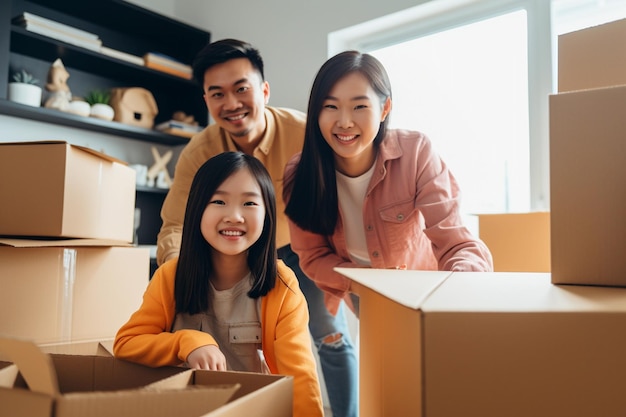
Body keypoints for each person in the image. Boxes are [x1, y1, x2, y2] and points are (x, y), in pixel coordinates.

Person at [156, 39, 358, 417]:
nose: (231, 103)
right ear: (206, 100)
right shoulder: (199, 152)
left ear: (264, 90)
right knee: (238, 343)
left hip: (305, 250)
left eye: (241, 89)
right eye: (217, 94)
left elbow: (349, 194)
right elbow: (175, 224)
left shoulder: (306, 135)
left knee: (330, 336)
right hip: (238, 255)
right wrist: (177, 271)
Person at [284, 50, 494, 321]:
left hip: (424, 289)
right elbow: (313, 256)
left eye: (359, 106)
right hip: (360, 291)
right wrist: (366, 282)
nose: (344, 122)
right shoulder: (299, 171)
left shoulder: (415, 152)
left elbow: (455, 242)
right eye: (330, 106)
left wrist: (461, 287)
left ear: (384, 109)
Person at [114, 152, 323, 417]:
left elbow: (300, 377)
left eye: (249, 203)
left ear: (267, 214)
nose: (234, 216)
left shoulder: (280, 284)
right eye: (219, 201)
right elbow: (127, 343)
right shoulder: (171, 276)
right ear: (197, 209)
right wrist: (187, 342)